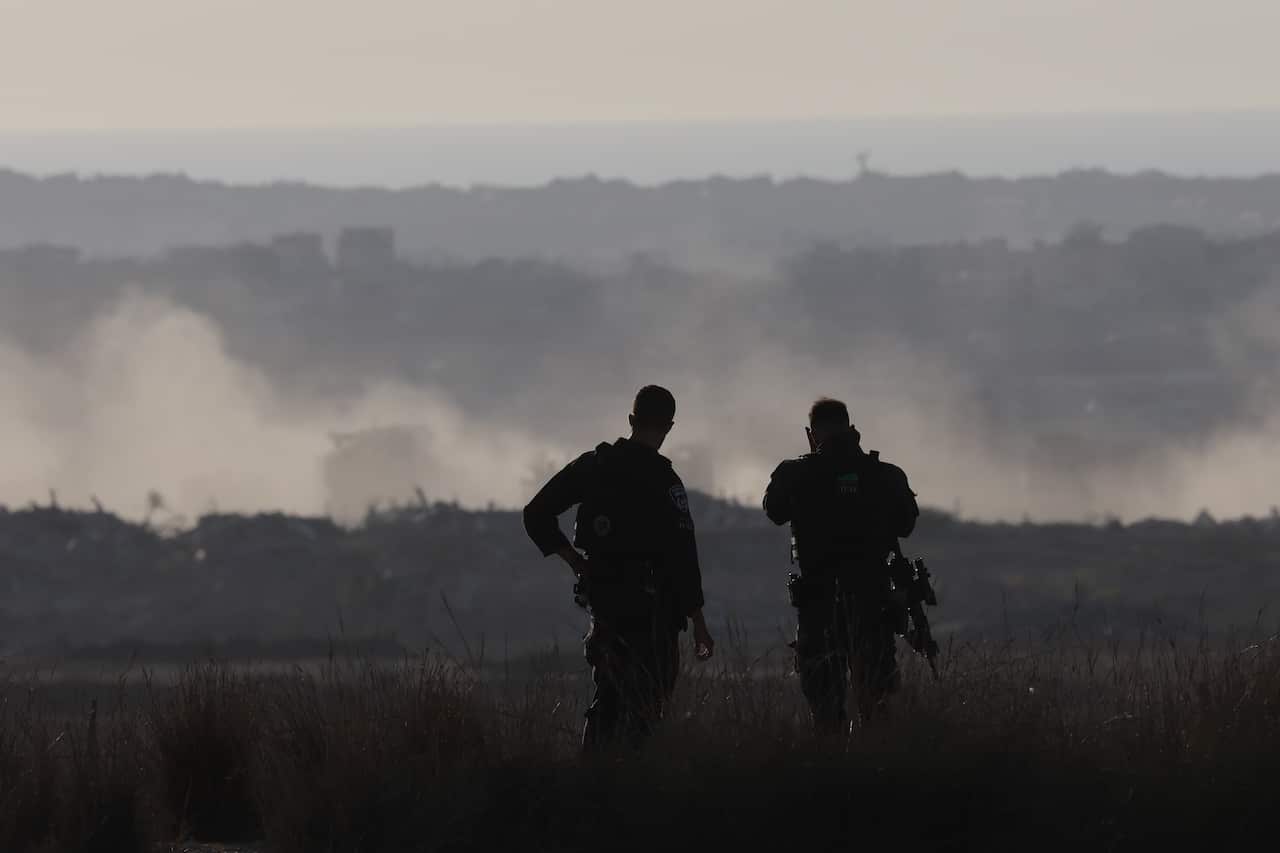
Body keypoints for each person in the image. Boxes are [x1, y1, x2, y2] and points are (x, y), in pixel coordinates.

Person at [523, 384, 714, 750]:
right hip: (655, 616)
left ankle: (595, 791)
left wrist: (576, 563)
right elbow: (682, 559)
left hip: (608, 608)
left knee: (607, 705)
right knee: (647, 711)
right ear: (670, 427)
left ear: (631, 419)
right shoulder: (666, 482)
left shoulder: (595, 466)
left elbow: (536, 514)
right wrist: (699, 622)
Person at [763, 398, 919, 731]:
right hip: (872, 604)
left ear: (812, 432)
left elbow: (774, 510)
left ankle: (831, 777)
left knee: (825, 715)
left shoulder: (796, 473)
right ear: (851, 428)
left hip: (820, 606)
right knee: (877, 708)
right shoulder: (885, 475)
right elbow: (906, 525)